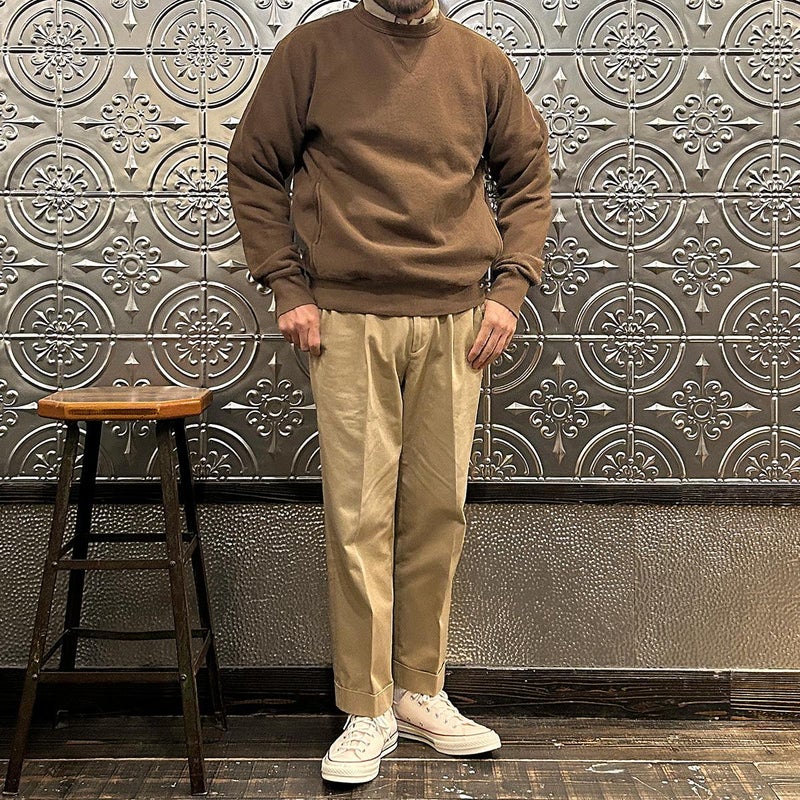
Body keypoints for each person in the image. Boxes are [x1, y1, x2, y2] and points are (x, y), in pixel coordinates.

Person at [226, 0, 552, 784]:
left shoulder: (480, 62)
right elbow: (254, 167)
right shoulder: (311, 52)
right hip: (344, 318)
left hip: (458, 320)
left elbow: (529, 179)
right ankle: (366, 705)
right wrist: (286, 284)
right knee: (358, 516)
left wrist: (509, 291)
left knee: (438, 513)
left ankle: (419, 690)